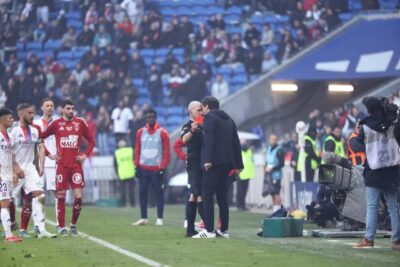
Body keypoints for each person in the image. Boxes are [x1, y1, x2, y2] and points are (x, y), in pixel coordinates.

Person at [41, 99, 96, 236]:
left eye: (72, 108)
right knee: (61, 196)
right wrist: (49, 155)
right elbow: (41, 137)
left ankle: (73, 225)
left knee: (78, 196)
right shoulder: (56, 124)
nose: (71, 111)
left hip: (76, 166)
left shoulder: (80, 123)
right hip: (62, 165)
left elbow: (92, 141)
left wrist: (85, 155)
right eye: (68, 108)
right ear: (62, 110)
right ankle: (61, 227)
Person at [353, 97, 400, 250]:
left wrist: (355, 134)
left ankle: (369, 239)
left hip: (373, 169)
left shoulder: (366, 125)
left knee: (372, 206)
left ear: (369, 109)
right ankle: (396, 241)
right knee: (393, 207)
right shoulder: (393, 121)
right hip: (392, 169)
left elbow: (356, 144)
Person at [193, 96, 243, 238]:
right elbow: (236, 142)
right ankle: (224, 230)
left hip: (213, 164)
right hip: (227, 164)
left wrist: (207, 160)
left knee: (207, 195)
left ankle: (209, 231)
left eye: (203, 107)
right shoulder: (229, 120)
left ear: (207, 106)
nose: (202, 110)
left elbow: (210, 139)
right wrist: (239, 164)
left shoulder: (209, 118)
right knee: (222, 197)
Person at [11, 103, 56, 239]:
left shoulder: (35, 130)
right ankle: (10, 225)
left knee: (40, 196)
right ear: (21, 114)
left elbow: (41, 148)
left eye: (33, 113)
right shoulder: (13, 130)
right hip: (13, 168)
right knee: (6, 201)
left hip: (30, 169)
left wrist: (41, 165)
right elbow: (8, 152)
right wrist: (14, 169)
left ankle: (40, 230)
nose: (32, 116)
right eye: (29, 113)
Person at [133, 109, 170, 226]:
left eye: (153, 117)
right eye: (148, 117)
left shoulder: (163, 132)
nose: (151, 119)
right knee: (142, 192)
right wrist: (136, 165)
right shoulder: (140, 132)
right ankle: (143, 218)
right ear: (145, 118)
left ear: (156, 118)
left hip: (156, 169)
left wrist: (163, 167)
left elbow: (166, 152)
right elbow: (137, 149)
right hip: (143, 168)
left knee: (158, 193)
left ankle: (160, 218)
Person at [32, 98, 59, 233]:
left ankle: (59, 224)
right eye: (47, 105)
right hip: (40, 164)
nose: (49, 108)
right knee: (38, 193)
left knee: (57, 193)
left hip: (55, 163)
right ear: (41, 107)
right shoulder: (36, 123)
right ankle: (37, 224)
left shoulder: (59, 122)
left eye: (51, 106)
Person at [180, 101, 205, 237]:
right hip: (194, 164)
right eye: (198, 110)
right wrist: (192, 130)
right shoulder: (187, 126)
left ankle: (193, 228)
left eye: (201, 109)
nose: (201, 112)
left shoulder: (204, 124)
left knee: (198, 194)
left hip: (205, 163)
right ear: (191, 112)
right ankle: (201, 227)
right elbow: (183, 140)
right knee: (196, 193)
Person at [0, 108, 23, 242]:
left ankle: (9, 234)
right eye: (10, 118)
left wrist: (15, 171)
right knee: (4, 203)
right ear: (2, 119)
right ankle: (9, 235)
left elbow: (12, 156)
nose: (12, 120)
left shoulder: (9, 136)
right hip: (1, 175)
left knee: (6, 203)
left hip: (8, 174)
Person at [265, 134, 285, 213]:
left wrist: (272, 168)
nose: (273, 141)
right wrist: (265, 167)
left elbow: (281, 164)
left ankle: (277, 211)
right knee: (272, 193)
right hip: (269, 175)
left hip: (276, 175)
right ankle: (275, 210)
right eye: (271, 139)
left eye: (274, 139)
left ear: (277, 140)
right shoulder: (269, 148)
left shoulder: (279, 150)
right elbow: (268, 160)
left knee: (276, 193)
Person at [114, 139, 136, 207]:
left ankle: (123, 203)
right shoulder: (131, 150)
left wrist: (117, 173)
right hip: (131, 173)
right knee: (131, 190)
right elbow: (135, 160)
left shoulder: (117, 152)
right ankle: (132, 203)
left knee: (122, 190)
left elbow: (115, 165)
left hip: (122, 174)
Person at [237, 140, 255, 211]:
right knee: (241, 191)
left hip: (247, 175)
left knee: (244, 191)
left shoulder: (249, 152)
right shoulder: (239, 152)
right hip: (241, 174)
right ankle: (240, 205)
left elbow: (252, 161)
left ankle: (242, 205)